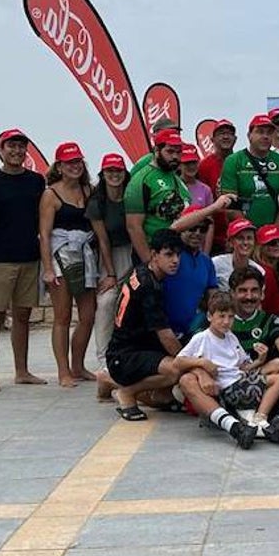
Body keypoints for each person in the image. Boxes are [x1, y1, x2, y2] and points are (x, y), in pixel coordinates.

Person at [0, 128, 47, 392]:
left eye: (20, 147)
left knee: (23, 316)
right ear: (1, 150)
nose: (16, 151)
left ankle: (22, 371)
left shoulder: (36, 181)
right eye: (11, 147)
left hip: (29, 258)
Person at [102, 229, 194, 421]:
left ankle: (160, 394)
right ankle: (126, 393)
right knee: (175, 369)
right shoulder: (148, 286)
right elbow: (165, 336)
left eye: (178, 254)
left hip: (136, 347)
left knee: (188, 342)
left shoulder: (144, 271)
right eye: (169, 254)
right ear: (154, 255)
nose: (175, 260)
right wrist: (190, 364)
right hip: (124, 355)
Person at [174, 290, 279, 450]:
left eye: (230, 317)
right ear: (210, 316)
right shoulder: (202, 338)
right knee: (186, 380)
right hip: (226, 389)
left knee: (278, 376)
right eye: (221, 316)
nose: (226, 322)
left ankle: (259, 419)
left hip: (240, 381)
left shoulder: (231, 337)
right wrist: (202, 363)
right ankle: (236, 424)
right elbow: (178, 362)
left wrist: (260, 360)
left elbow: (242, 365)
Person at [226, 267, 279, 445]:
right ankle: (251, 421)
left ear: (262, 294)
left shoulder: (269, 320)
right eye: (242, 291)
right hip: (233, 386)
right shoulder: (222, 320)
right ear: (231, 293)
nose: (249, 296)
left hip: (264, 387)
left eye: (254, 290)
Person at [39, 142, 97, 388]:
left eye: (78, 161)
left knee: (88, 314)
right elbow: (44, 233)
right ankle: (63, 370)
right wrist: (49, 269)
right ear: (60, 166)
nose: (75, 166)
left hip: (84, 255)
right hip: (60, 255)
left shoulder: (88, 191)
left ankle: (78, 365)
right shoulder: (50, 194)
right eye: (69, 162)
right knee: (62, 316)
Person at [89, 154, 134, 374]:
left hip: (135, 250)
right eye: (109, 171)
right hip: (111, 254)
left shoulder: (132, 195)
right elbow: (103, 239)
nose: (114, 175)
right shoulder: (97, 201)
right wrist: (111, 274)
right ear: (103, 174)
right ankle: (103, 357)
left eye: (118, 170)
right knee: (107, 302)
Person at [218, 113, 279, 231]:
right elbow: (230, 205)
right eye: (260, 132)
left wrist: (274, 231)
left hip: (274, 233)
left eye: (269, 133)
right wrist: (250, 232)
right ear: (249, 135)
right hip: (242, 234)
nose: (265, 136)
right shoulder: (233, 161)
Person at [124, 128, 190, 261]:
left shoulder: (176, 178)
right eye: (170, 151)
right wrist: (149, 263)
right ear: (157, 151)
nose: (175, 157)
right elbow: (133, 226)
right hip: (154, 255)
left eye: (178, 152)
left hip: (178, 253)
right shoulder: (142, 180)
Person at [162, 205, 219, 342]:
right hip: (163, 331)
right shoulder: (169, 255)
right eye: (192, 228)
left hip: (193, 333)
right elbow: (170, 231)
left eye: (203, 229)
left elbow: (213, 298)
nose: (198, 233)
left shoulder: (206, 262)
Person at [197, 119, 236, 254]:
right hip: (214, 236)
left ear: (235, 139)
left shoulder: (242, 162)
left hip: (240, 233)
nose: (226, 136)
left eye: (229, 133)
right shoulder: (204, 166)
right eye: (221, 133)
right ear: (212, 139)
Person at [213, 218, 264, 289]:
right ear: (230, 242)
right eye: (240, 238)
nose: (245, 242)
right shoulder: (216, 263)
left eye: (249, 238)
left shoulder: (260, 271)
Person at [254, 224, 279, 317]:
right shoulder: (265, 273)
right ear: (260, 247)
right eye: (272, 243)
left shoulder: (278, 269)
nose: (278, 246)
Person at [179, 144, 214, 211]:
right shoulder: (173, 184)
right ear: (179, 165)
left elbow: (210, 217)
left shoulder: (205, 190)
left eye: (194, 162)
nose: (191, 166)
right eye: (187, 163)